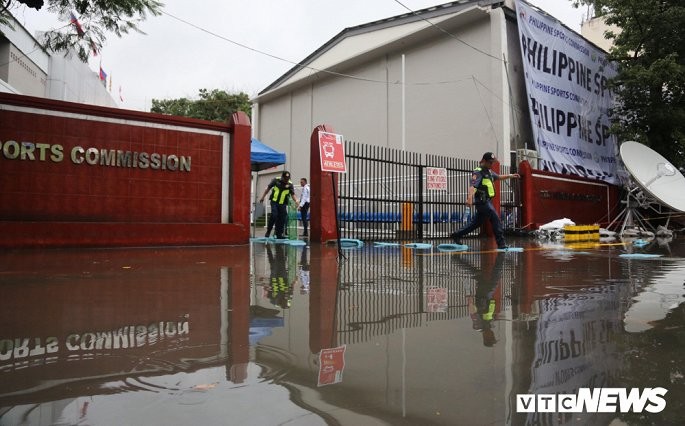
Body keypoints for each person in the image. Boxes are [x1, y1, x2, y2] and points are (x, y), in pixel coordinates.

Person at [450, 152, 519, 249]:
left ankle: (456, 235)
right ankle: (501, 244)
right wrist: (469, 198)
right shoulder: (478, 172)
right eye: (490, 162)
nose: (492, 164)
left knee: (476, 223)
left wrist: (511, 175)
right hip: (482, 201)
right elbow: (473, 185)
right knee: (495, 218)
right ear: (484, 161)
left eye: (493, 162)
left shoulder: (489, 171)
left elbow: (498, 177)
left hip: (487, 201)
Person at [259, 171, 298, 239]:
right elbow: (268, 189)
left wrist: (296, 201)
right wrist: (262, 197)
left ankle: (279, 234)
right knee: (274, 215)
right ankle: (268, 231)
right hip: (274, 202)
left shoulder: (290, 184)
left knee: (283, 218)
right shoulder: (276, 180)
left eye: (287, 179)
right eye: (285, 179)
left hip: (283, 203)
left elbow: (292, 194)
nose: (286, 180)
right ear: (282, 177)